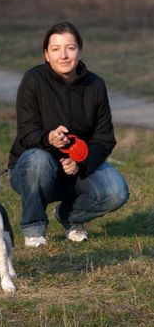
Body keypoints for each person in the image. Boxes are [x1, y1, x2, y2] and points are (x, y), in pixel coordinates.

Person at [8, 21, 129, 248]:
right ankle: (34, 229)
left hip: (75, 168)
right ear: (46, 54)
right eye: (55, 49)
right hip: (31, 170)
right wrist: (48, 139)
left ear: (80, 50)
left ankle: (69, 216)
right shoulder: (33, 80)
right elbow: (26, 132)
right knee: (38, 159)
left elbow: (104, 139)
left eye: (70, 48)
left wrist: (81, 165)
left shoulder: (96, 85)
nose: (63, 55)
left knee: (116, 192)